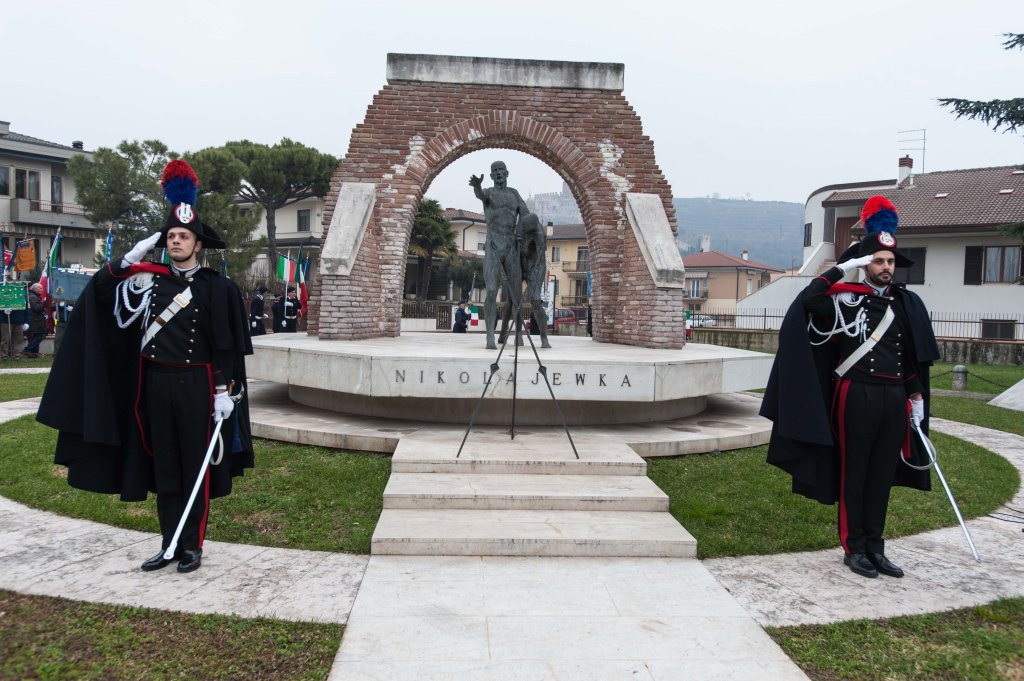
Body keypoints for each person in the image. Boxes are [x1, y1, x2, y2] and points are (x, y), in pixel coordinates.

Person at [37, 159, 254, 574]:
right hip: (154, 385)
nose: (175, 242)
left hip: (196, 384)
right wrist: (121, 263)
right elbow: (98, 296)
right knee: (165, 466)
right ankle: (168, 544)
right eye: (171, 235)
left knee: (194, 469)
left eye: (183, 236)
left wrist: (223, 392)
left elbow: (226, 347)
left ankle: (192, 546)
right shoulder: (144, 279)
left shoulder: (217, 288)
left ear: (198, 245)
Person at [761, 196, 940, 580]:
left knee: (881, 474)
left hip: (894, 398)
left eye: (890, 262)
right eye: (878, 261)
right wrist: (842, 269)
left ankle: (876, 547)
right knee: (854, 472)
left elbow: (909, 359)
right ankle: (853, 547)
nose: (886, 268)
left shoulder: (906, 304)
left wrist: (917, 398)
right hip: (853, 394)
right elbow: (807, 301)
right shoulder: (842, 300)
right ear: (865, 264)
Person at [469, 161, 547, 349]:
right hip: (494, 245)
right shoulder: (488, 192)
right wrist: (477, 187)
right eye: (494, 171)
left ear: (507, 173)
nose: (498, 173)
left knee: (517, 295)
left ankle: (518, 334)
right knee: (491, 291)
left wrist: (525, 230)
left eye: (501, 170)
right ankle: (489, 336)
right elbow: (480, 196)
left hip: (511, 247)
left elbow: (528, 216)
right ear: (491, 175)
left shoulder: (514, 194)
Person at [21, 282, 46, 357]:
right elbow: (37, 308)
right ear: (35, 289)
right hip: (35, 320)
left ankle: (33, 353)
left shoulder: (33, 296)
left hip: (35, 320)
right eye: (40, 288)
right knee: (40, 336)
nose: (42, 289)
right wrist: (44, 303)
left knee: (35, 337)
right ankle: (27, 349)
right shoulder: (33, 297)